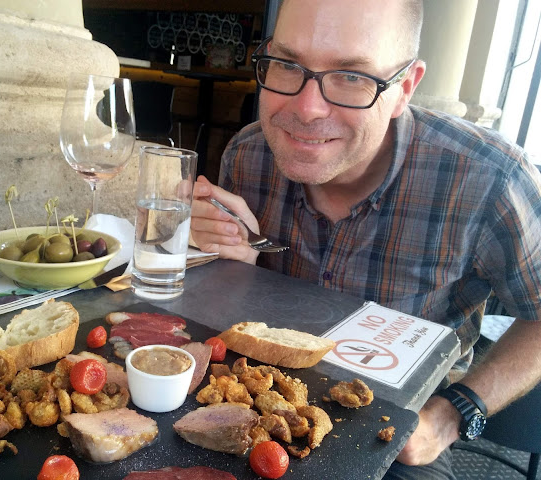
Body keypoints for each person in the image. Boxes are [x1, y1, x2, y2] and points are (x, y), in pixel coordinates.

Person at [189, 0, 541, 478]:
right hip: (257, 392)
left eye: (352, 77)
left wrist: (454, 413)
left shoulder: (490, 180)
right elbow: (237, 305)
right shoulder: (248, 155)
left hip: (398, 425)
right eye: (287, 64)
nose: (306, 109)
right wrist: (226, 260)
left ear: (404, 89)